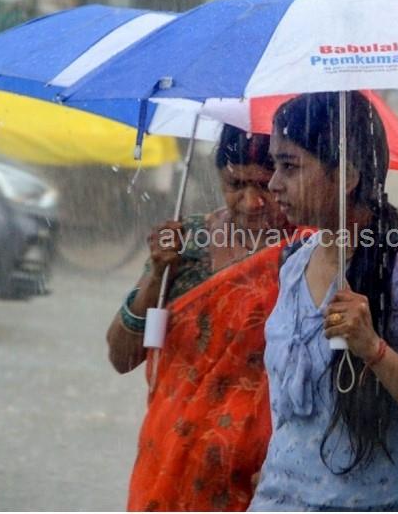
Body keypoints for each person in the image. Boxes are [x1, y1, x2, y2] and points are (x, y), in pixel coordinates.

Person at [249, 92, 398, 511]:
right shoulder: (293, 265)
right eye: (274, 165)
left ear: (346, 176)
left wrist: (374, 350)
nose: (274, 183)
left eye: (289, 166)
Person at [106, 124, 294, 511]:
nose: (251, 201)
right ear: (220, 177)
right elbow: (122, 357)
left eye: (264, 186)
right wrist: (158, 276)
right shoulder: (185, 241)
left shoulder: (308, 252)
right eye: (235, 184)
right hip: (171, 460)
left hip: (264, 473)